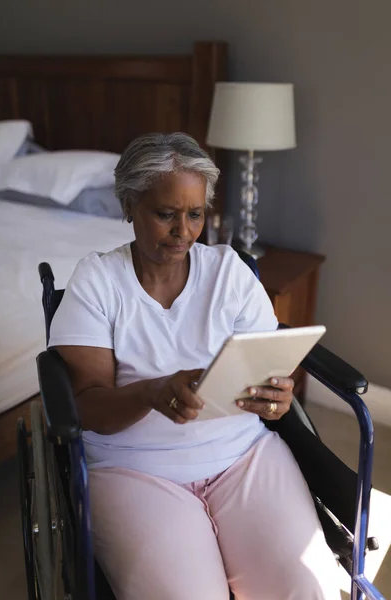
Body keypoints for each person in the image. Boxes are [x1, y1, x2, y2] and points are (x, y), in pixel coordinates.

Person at [49, 132, 341, 600]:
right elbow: (85, 408)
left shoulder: (229, 273)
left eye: (195, 214)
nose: (183, 231)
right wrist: (149, 393)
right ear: (129, 206)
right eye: (165, 214)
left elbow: (269, 377)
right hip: (134, 470)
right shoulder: (97, 282)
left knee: (303, 587)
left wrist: (276, 399)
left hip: (244, 456)